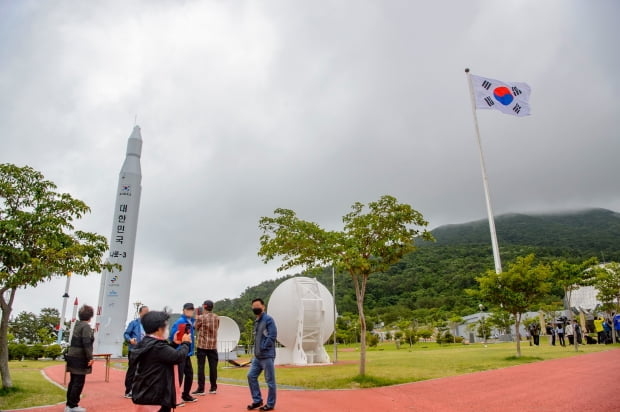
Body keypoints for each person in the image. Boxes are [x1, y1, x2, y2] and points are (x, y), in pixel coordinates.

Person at [131, 311, 192, 412]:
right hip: (156, 398)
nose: (167, 329)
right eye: (166, 326)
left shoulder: (147, 343)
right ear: (159, 329)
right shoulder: (158, 346)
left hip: (146, 394)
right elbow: (178, 357)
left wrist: (174, 344)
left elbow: (165, 355)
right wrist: (185, 343)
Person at [247, 298, 278, 411]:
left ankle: (270, 404)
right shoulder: (257, 321)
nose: (255, 308)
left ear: (263, 307)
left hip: (267, 356)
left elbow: (272, 335)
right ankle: (257, 400)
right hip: (257, 357)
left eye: (257, 306)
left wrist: (263, 347)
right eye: (254, 307)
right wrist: (256, 352)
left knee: (270, 381)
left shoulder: (268, 319)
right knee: (251, 376)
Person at [65, 304, 95, 412]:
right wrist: (90, 357)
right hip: (80, 358)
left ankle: (69, 405)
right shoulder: (86, 327)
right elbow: (86, 343)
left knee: (73, 381)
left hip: (73, 356)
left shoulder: (77, 325)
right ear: (90, 316)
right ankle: (73, 406)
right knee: (78, 382)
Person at [170, 303, 197, 405]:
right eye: (188, 309)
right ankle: (174, 398)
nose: (190, 311)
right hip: (180, 352)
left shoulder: (190, 322)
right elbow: (173, 336)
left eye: (191, 310)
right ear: (184, 310)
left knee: (189, 374)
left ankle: (185, 395)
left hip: (187, 353)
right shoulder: (180, 322)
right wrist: (178, 349)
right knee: (179, 376)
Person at [194, 300, 220, 396]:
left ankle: (201, 389)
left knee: (201, 367)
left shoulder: (201, 317)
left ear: (204, 307)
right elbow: (217, 328)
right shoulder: (216, 317)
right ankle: (213, 387)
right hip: (213, 346)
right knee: (213, 367)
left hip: (202, 345)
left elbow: (196, 328)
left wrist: (196, 319)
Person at [124, 305, 149, 398]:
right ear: (140, 313)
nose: (147, 313)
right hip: (134, 350)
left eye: (148, 312)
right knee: (132, 370)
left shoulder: (148, 325)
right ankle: (128, 390)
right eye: (145, 311)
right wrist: (130, 340)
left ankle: (140, 389)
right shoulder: (134, 323)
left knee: (144, 370)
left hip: (145, 350)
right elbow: (126, 334)